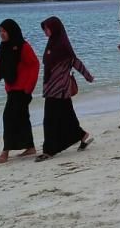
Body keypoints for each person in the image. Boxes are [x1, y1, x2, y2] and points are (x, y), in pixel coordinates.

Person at [0, 19, 40, 163]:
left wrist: (29, 88)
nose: (2, 34)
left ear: (12, 31)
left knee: (8, 118)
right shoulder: (3, 48)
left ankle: (5, 152)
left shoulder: (23, 46)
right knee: (23, 119)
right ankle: (30, 147)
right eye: (0, 31)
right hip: (11, 89)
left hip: (22, 90)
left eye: (4, 31)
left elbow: (35, 65)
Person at [35, 16, 94, 162]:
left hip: (59, 90)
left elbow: (75, 62)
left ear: (54, 28)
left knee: (50, 120)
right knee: (68, 118)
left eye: (47, 29)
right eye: (44, 29)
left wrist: (88, 76)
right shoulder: (52, 44)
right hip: (52, 89)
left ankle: (48, 150)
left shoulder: (62, 46)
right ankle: (82, 136)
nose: (45, 32)